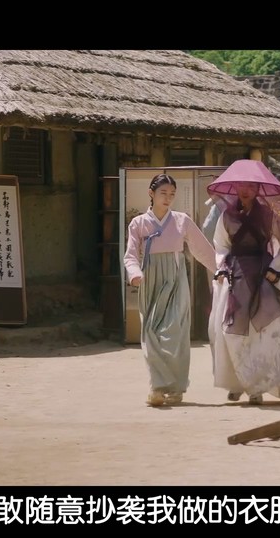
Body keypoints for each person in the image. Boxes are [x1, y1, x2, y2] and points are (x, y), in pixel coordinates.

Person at [207, 159, 280, 404]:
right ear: (235, 187)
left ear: (258, 189)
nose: (246, 190)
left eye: (251, 186)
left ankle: (257, 386)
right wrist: (221, 267)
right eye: (242, 185)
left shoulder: (269, 215)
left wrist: (276, 269)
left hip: (263, 275)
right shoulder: (226, 216)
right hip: (235, 275)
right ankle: (236, 382)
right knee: (229, 331)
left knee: (263, 332)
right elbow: (221, 245)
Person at [124, 174, 216, 407]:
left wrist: (220, 270)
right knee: (151, 333)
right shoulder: (138, 223)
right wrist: (134, 273)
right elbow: (131, 254)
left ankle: (175, 387)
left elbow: (201, 248)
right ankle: (157, 387)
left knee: (175, 332)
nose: (168, 198)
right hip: (150, 280)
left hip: (175, 279)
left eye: (172, 194)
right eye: (163, 193)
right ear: (151, 193)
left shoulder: (181, 220)